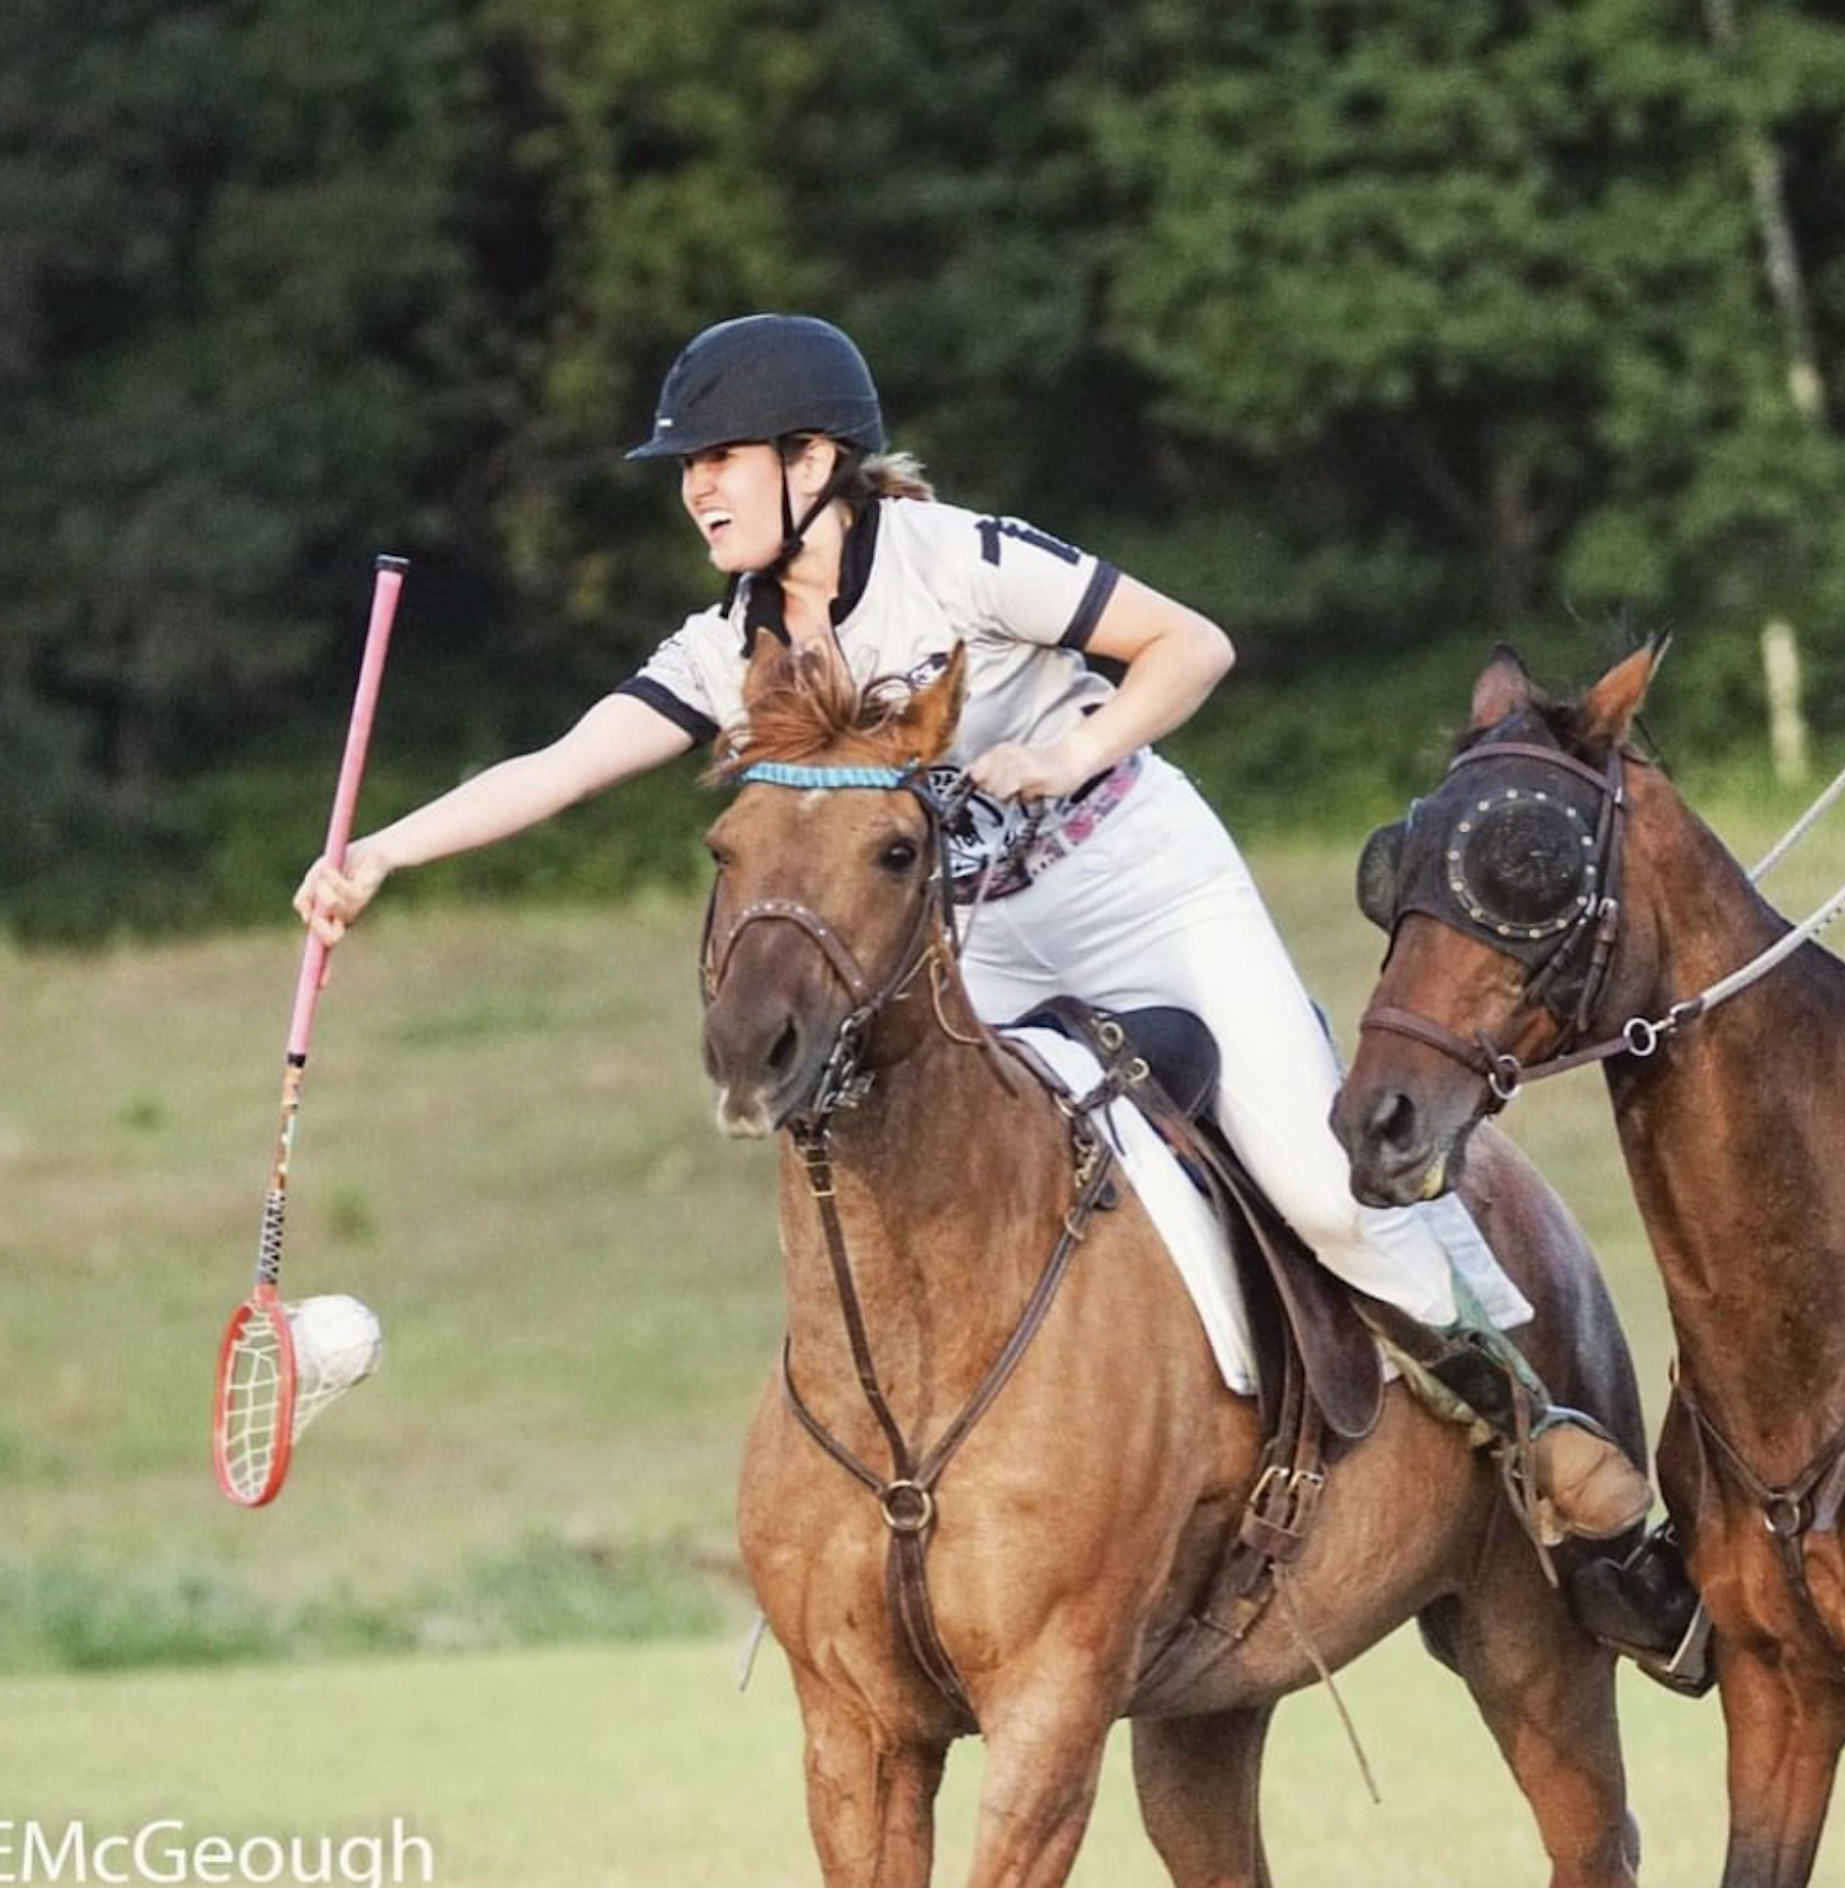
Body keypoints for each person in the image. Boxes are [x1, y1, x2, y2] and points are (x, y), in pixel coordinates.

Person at [295, 312, 1650, 1541]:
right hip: (972, 936)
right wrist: (379, 853)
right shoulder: (730, 645)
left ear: (814, 459)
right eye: (686, 466)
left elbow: (1192, 646)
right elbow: (564, 761)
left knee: (1314, 1177)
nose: (694, 488)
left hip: (1138, 882)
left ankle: (1528, 1416)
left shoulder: (963, 560)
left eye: (718, 458)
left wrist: (1075, 750)